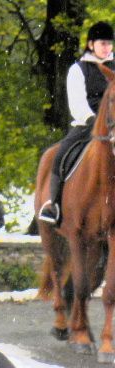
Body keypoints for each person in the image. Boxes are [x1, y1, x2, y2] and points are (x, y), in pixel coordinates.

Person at [38, 21, 114, 224]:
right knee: (61, 154)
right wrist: (92, 120)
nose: (106, 47)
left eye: (109, 43)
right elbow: (77, 102)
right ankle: (53, 204)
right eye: (102, 43)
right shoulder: (78, 69)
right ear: (91, 44)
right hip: (87, 124)